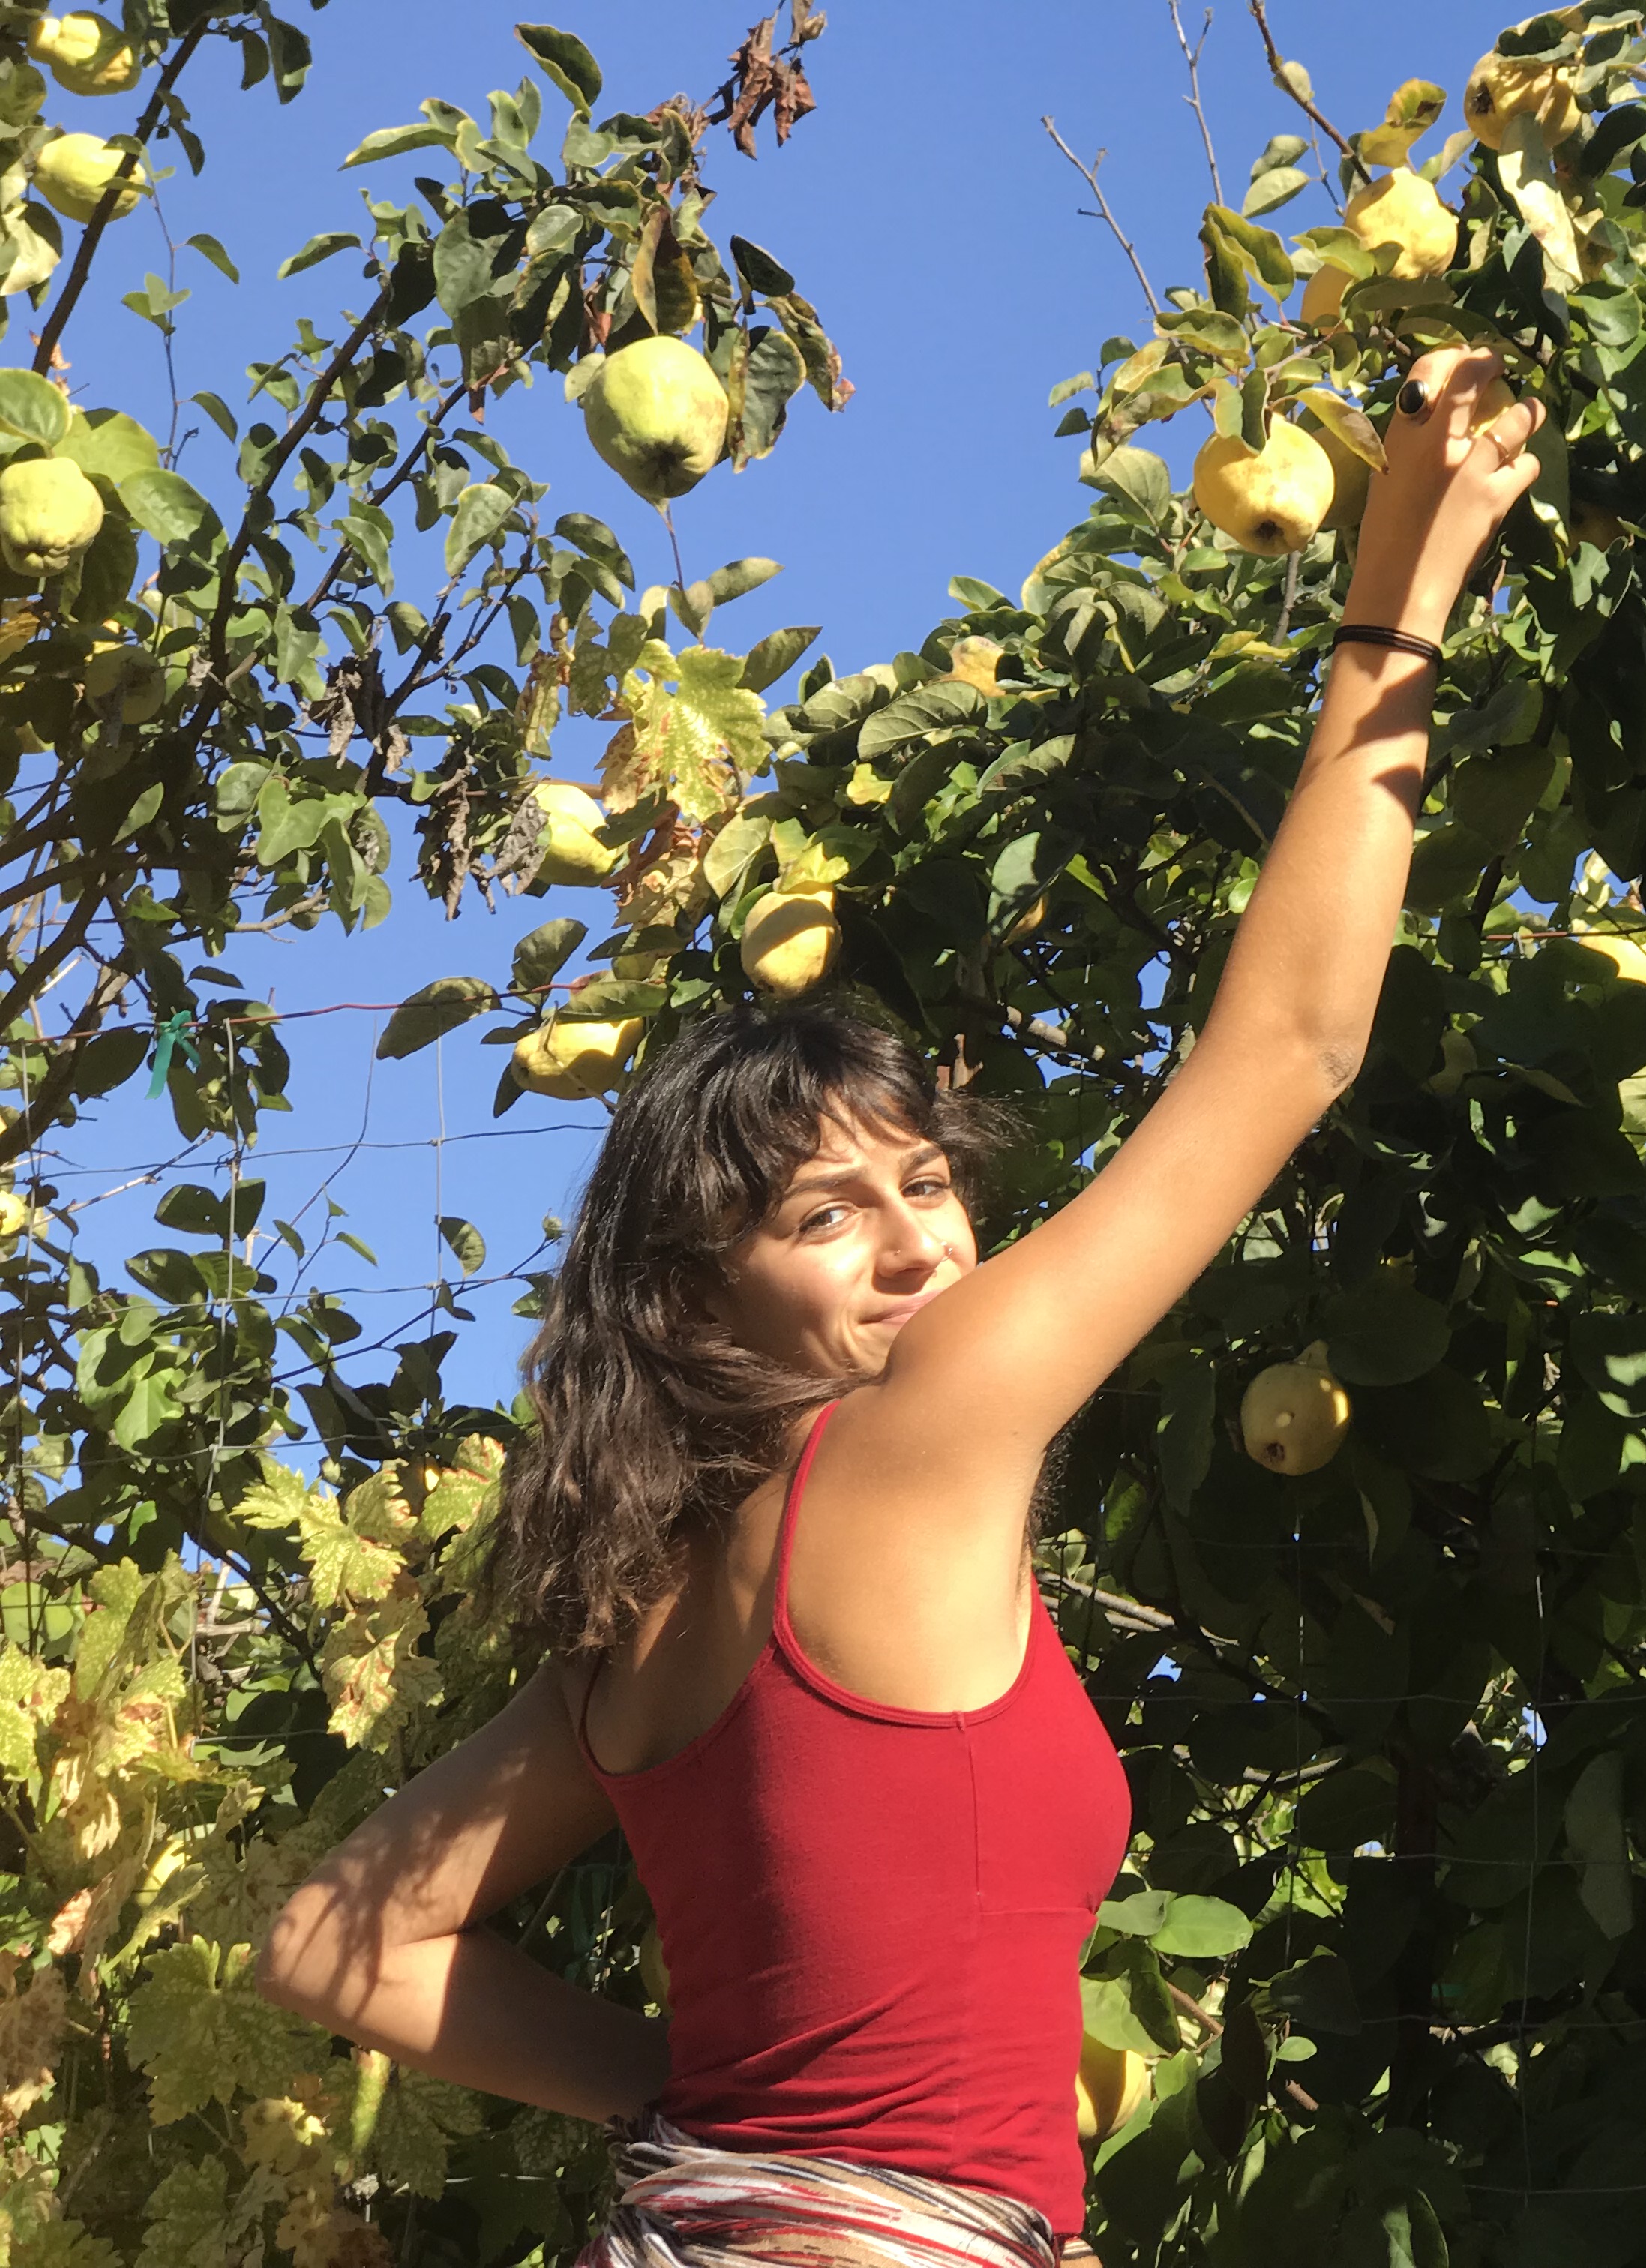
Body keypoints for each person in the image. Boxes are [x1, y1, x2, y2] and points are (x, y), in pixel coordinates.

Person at [256, 346, 1546, 2268]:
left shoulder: (635, 1631)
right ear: (698, 1299)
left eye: (927, 1185)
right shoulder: (914, 1438)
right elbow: (1291, 1042)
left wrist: (733, 2121)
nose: (919, 1251)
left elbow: (332, 1939)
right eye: (825, 1217)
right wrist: (1400, 597)